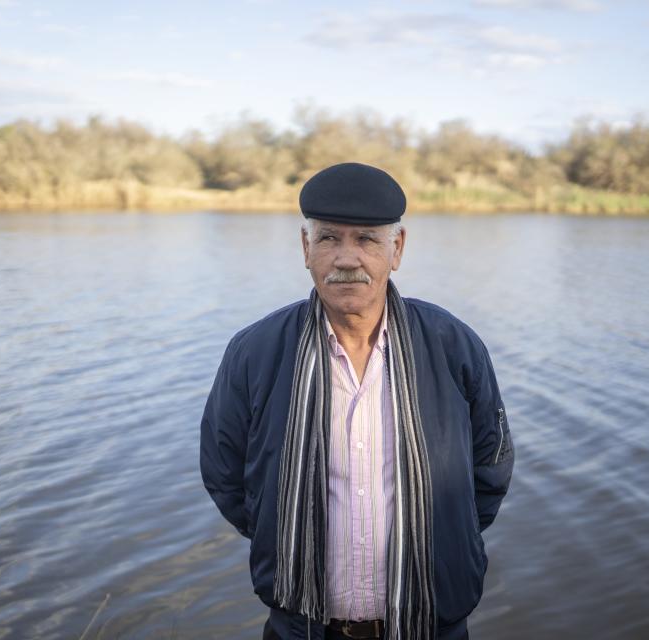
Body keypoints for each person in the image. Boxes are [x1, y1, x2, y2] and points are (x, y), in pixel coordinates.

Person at [200, 162, 514, 640]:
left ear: (397, 249)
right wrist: (281, 532)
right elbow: (225, 474)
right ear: (306, 249)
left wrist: (448, 537)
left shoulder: (453, 346)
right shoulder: (255, 352)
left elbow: (489, 470)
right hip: (300, 627)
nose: (347, 258)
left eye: (367, 239)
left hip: (432, 623)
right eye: (328, 238)